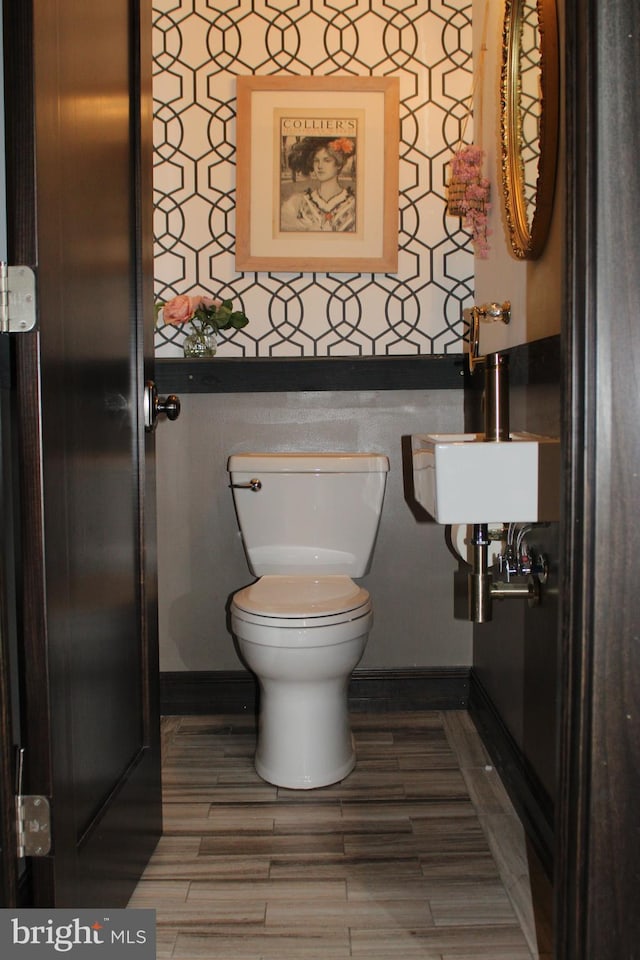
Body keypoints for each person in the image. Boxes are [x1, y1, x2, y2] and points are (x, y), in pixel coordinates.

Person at [280, 136, 356, 232]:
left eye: (327, 160)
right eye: (316, 161)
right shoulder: (300, 203)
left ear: (339, 164)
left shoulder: (353, 204)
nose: (319, 166)